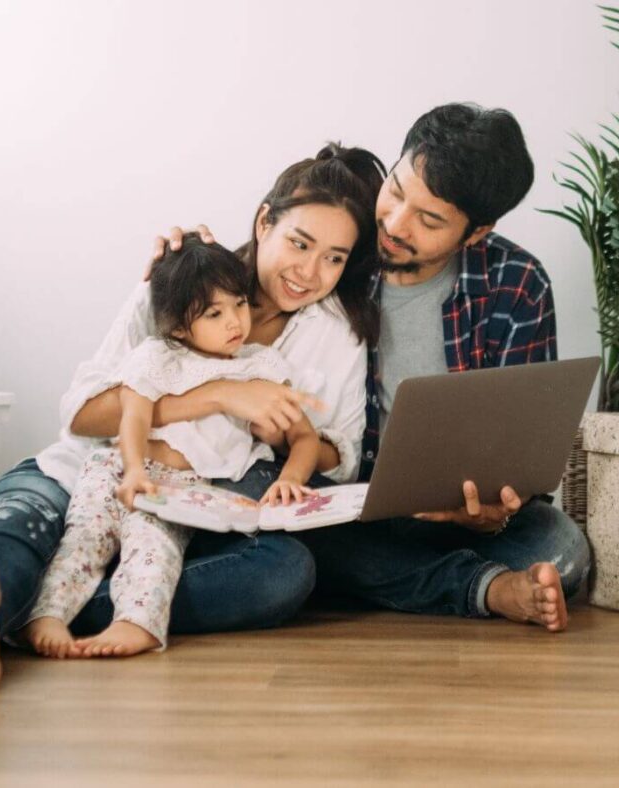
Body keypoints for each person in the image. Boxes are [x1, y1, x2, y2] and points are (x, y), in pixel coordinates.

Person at [0, 143, 384, 690]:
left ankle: (49, 613)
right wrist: (218, 396)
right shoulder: (177, 282)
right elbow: (84, 416)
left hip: (191, 509)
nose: (309, 271)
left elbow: (341, 456)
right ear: (264, 222)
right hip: (94, 472)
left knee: (284, 573)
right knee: (21, 521)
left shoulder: (335, 333)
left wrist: (281, 441)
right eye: (299, 243)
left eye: (334, 257)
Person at [182, 103, 592, 633]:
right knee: (295, 534)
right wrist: (183, 259)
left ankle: (396, 578)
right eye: (396, 191)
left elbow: (525, 451)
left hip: (456, 518)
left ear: (475, 233)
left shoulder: (516, 284)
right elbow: (256, 272)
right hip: (344, 507)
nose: (395, 226)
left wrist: (497, 510)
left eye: (429, 220)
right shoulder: (341, 256)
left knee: (563, 552)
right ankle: (479, 587)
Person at [23, 237, 324, 659]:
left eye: (239, 304)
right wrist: (132, 469)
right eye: (214, 314)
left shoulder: (260, 367)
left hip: (180, 489)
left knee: (155, 551)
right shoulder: (158, 356)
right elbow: (134, 414)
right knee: (85, 539)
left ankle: (135, 624)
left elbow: (304, 437)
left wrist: (291, 479)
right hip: (118, 469)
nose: (235, 321)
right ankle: (46, 615)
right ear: (181, 325)